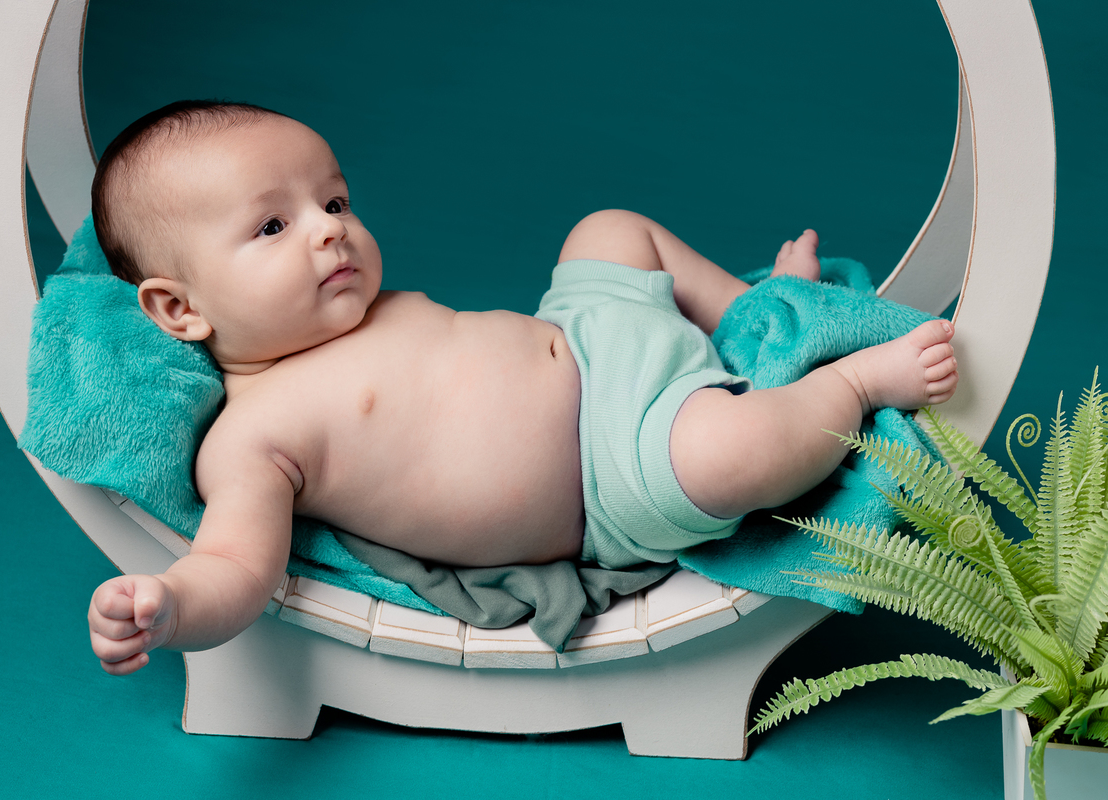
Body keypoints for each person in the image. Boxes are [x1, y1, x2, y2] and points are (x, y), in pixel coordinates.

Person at [86, 101, 958, 675]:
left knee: (608, 228)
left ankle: (771, 316)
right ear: (178, 307)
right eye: (275, 224)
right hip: (615, 468)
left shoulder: (354, 316)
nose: (331, 232)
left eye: (337, 202)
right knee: (731, 455)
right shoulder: (254, 436)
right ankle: (847, 382)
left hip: (591, 337)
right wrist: (168, 608)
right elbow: (234, 566)